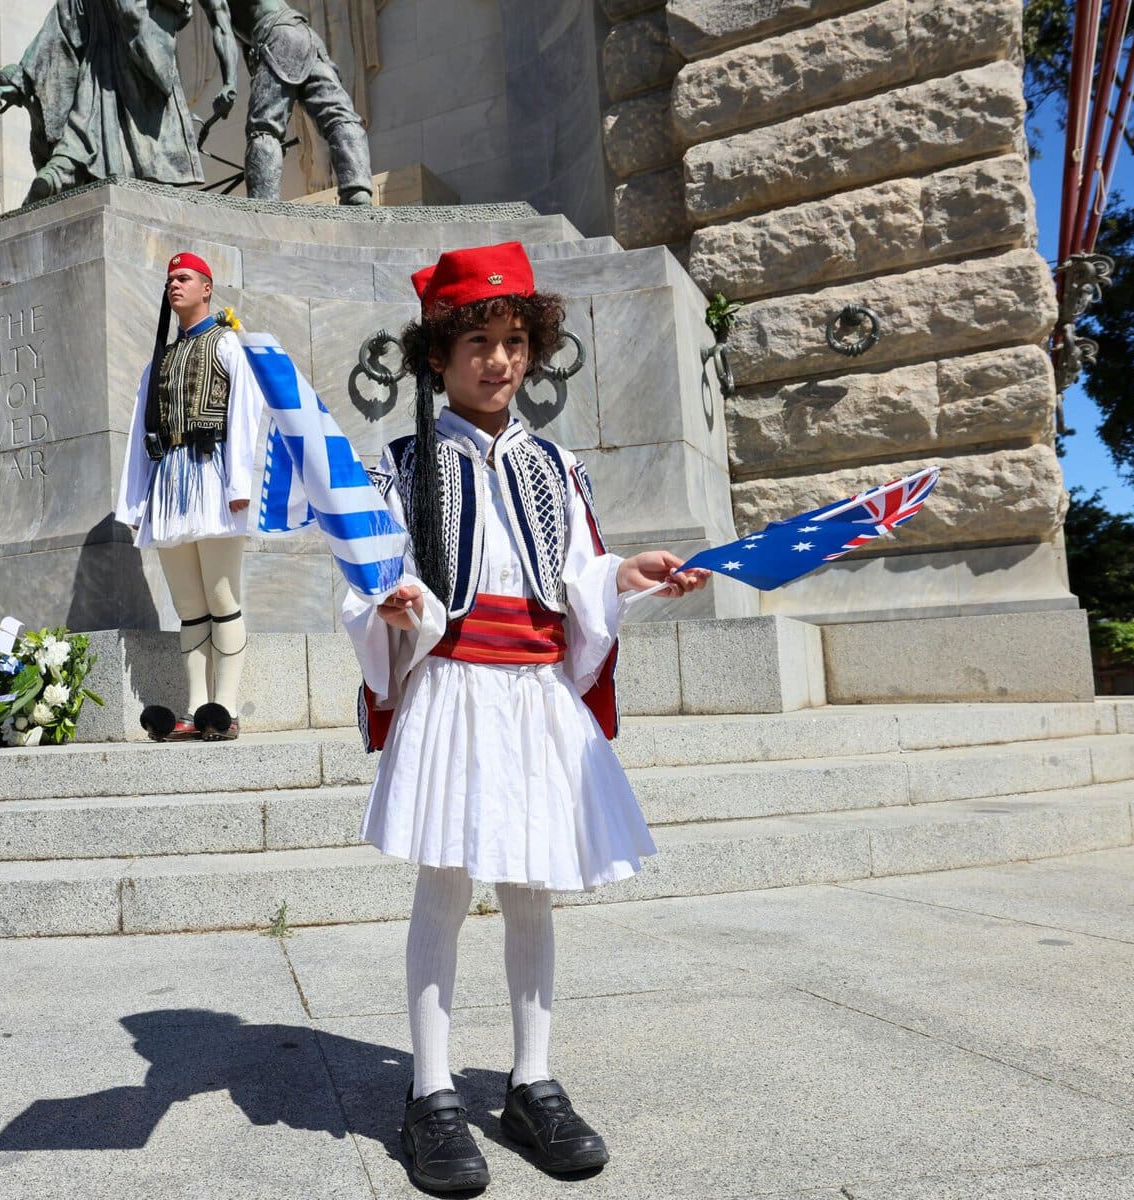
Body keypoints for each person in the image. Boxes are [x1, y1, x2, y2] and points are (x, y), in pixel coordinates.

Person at [343, 242, 709, 1192]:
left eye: (512, 340)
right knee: (446, 883)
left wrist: (623, 575)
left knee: (533, 887)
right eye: (475, 341)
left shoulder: (557, 466)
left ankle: (532, 1081)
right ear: (436, 356)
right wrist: (389, 606)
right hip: (456, 691)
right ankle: (430, 1094)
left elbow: (578, 575)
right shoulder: (402, 465)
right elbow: (373, 579)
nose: (497, 360)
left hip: (538, 692)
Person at [116, 252, 265, 741]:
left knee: (223, 598)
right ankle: (198, 708)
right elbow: (142, 433)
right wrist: (136, 504)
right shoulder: (159, 360)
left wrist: (240, 485)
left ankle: (228, 707)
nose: (174, 285)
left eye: (184, 278)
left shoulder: (227, 344)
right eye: (170, 279)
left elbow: (246, 412)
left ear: (207, 288)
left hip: (213, 481)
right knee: (189, 606)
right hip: (170, 488)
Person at [0, 0, 237, 201]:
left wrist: (21, 82)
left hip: (138, 62)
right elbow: (62, 23)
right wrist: (21, 81)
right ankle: (63, 168)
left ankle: (63, 170)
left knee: (110, 127)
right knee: (87, 115)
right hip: (107, 61)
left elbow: (61, 26)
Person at [228, 0, 372, 204]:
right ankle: (357, 192)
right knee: (338, 114)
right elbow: (246, 44)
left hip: (276, 36)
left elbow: (222, 33)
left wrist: (227, 84)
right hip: (305, 33)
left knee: (264, 127)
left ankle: (263, 207)